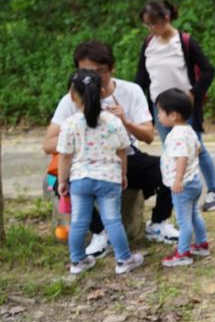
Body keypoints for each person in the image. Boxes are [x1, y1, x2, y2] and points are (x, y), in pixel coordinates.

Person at [42, 41, 179, 254]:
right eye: (86, 72)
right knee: (59, 182)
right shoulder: (72, 99)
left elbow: (149, 136)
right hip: (85, 164)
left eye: (100, 72)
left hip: (124, 160)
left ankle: (158, 222)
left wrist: (125, 121)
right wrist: (79, 132)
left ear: (112, 68)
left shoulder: (130, 91)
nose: (94, 79)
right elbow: (48, 144)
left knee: (171, 165)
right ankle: (99, 232)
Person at [135, 0, 215, 212]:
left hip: (185, 109)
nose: (150, 29)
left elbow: (208, 70)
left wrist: (193, 93)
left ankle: (213, 191)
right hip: (160, 109)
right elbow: (141, 79)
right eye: (147, 25)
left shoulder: (184, 42)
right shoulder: (148, 44)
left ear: (166, 19)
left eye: (153, 23)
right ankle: (179, 190)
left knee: (196, 148)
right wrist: (143, 107)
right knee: (171, 150)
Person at [57, 70, 144, 275]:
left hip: (80, 179)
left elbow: (65, 155)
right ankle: (123, 260)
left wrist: (62, 180)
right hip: (109, 178)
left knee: (79, 221)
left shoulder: (70, 124)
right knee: (113, 220)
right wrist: (123, 174)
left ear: (72, 96)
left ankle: (77, 262)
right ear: (102, 92)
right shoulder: (113, 121)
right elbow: (122, 150)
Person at [156, 88, 210, 267]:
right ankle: (202, 244)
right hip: (194, 181)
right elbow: (198, 150)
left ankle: (183, 253)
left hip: (183, 185)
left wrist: (178, 179)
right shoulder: (189, 130)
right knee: (194, 214)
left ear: (173, 115)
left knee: (183, 221)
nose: (158, 116)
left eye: (160, 112)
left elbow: (182, 157)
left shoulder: (176, 135)